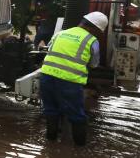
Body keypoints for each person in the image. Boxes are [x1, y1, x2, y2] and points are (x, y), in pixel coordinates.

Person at [39, 11, 108, 146]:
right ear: (94, 28)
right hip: (69, 82)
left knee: (50, 111)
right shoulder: (92, 40)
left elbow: (51, 51)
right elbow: (94, 64)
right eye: (98, 31)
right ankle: (80, 150)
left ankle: (50, 144)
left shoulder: (60, 33)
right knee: (77, 116)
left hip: (46, 77)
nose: (97, 34)